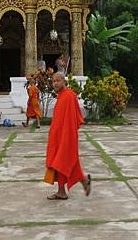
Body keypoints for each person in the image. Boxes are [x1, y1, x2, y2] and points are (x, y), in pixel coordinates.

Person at [44, 72, 91, 200]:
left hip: (66, 136)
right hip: (58, 136)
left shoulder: (69, 96)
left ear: (64, 82)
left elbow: (71, 120)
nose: (55, 83)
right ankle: (81, 182)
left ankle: (63, 191)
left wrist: (66, 137)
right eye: (53, 81)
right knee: (63, 163)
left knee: (61, 162)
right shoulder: (60, 96)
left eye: (58, 81)